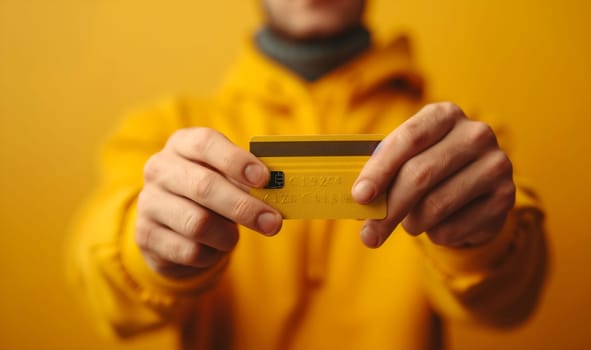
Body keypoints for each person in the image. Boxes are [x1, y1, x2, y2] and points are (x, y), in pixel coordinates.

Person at [67, 0, 548, 349]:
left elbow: (513, 304)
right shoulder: (164, 129)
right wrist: (145, 247)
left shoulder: (462, 143)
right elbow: (101, 296)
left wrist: (481, 237)